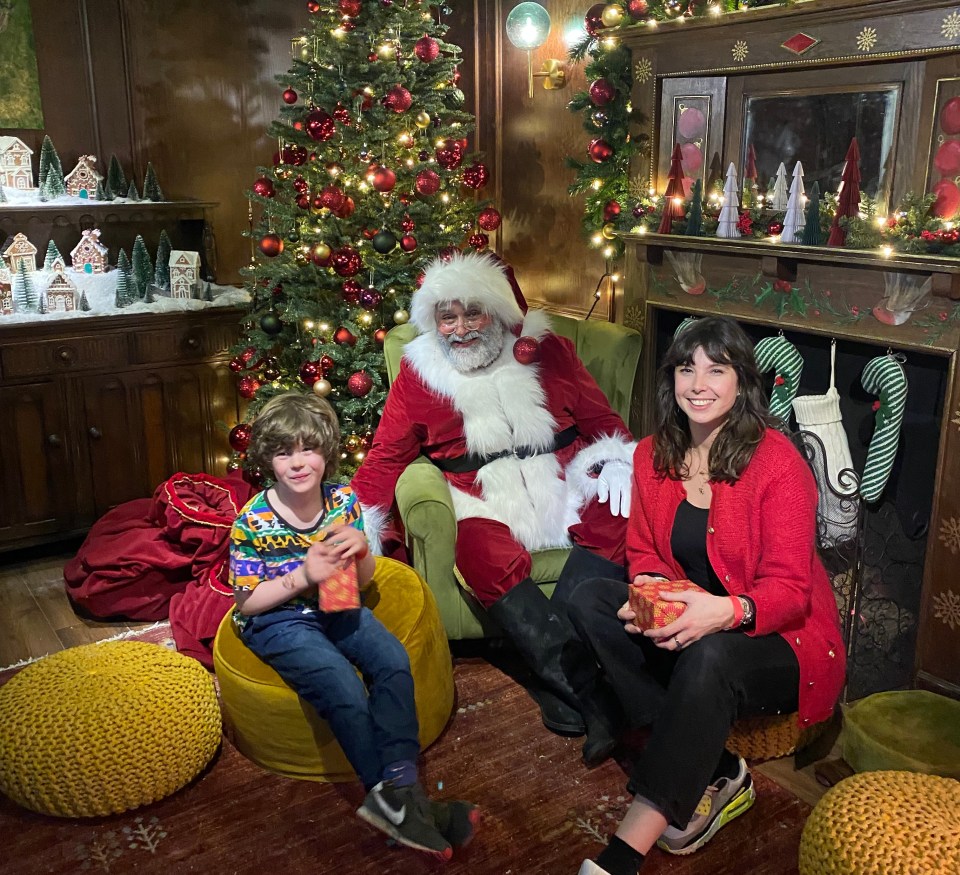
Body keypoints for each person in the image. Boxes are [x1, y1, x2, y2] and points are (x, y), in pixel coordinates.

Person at [566, 316, 846, 875]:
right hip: (694, 616)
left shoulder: (779, 465)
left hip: (777, 637)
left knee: (711, 653)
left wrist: (725, 612)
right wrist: (648, 589)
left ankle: (622, 855)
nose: (699, 383)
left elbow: (791, 594)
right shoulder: (651, 455)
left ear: (741, 382)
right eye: (686, 368)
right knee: (591, 598)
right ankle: (716, 766)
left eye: (716, 370)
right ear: (670, 379)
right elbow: (644, 553)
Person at [351, 251, 636, 764]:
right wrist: (356, 523)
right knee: (480, 551)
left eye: (472, 314)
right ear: (433, 321)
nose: (459, 330)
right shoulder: (420, 375)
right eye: (447, 317)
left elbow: (603, 421)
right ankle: (595, 693)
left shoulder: (552, 352)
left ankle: (565, 682)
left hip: (564, 482)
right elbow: (384, 457)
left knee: (621, 509)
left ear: (498, 312)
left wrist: (617, 460)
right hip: (479, 498)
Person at [229, 392, 478, 861]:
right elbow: (248, 600)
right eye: (284, 452)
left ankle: (402, 788)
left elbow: (362, 582)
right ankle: (387, 796)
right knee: (341, 684)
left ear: (326, 452)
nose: (298, 463)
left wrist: (361, 550)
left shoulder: (342, 500)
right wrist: (304, 574)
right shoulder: (252, 520)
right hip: (277, 617)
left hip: (337, 600)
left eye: (308, 449)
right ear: (268, 459)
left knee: (390, 659)